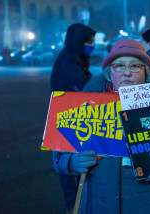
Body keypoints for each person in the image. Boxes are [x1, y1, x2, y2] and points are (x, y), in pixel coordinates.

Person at [53, 39, 150, 213]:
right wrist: (72, 162)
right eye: (119, 66)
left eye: (135, 66)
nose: (126, 73)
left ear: (146, 72)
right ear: (110, 72)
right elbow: (59, 157)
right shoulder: (87, 107)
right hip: (99, 206)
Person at [50, 23, 96, 213]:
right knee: (67, 164)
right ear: (80, 41)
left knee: (77, 162)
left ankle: (78, 203)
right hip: (65, 117)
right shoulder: (69, 60)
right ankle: (72, 207)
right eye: (89, 41)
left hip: (74, 116)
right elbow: (85, 85)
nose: (92, 44)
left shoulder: (77, 57)